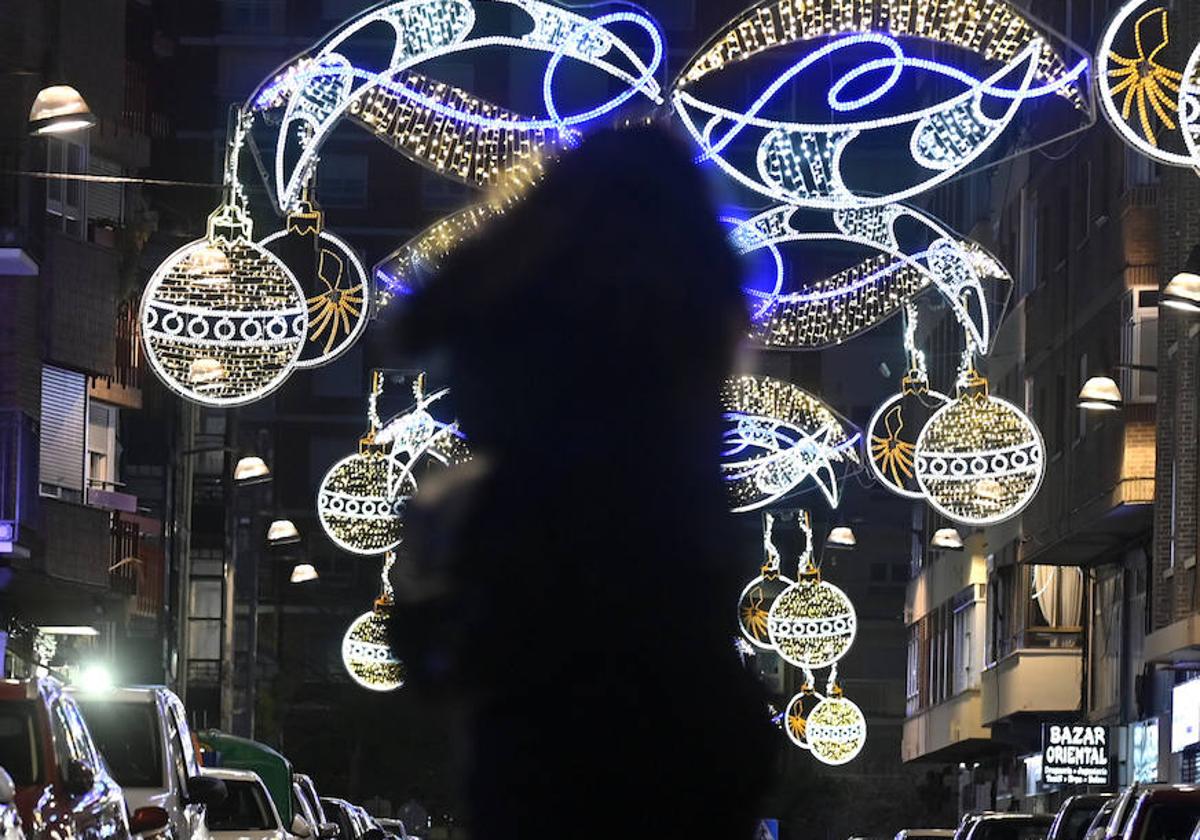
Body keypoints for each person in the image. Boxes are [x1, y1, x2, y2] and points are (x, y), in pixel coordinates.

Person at [390, 125, 775, 839]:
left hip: (537, 761)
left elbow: (431, 646)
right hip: (668, 762)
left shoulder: (518, 345)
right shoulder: (668, 423)